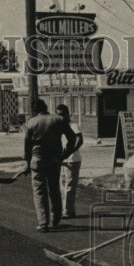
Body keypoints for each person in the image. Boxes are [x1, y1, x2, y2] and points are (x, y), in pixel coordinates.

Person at [22, 99, 78, 231]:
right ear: (46, 107)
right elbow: (72, 138)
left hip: (38, 160)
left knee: (39, 191)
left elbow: (27, 146)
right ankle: (56, 218)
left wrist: (27, 163)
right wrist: (66, 153)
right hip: (54, 160)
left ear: (34, 110)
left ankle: (43, 222)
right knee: (54, 189)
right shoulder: (58, 120)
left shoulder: (31, 122)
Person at [55, 104, 84, 219]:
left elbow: (80, 140)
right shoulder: (59, 127)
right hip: (62, 159)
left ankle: (67, 211)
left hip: (72, 159)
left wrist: (70, 151)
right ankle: (68, 209)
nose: (60, 117)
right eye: (58, 115)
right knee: (62, 186)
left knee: (69, 187)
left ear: (68, 114)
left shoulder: (73, 125)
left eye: (62, 115)